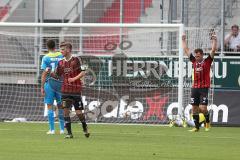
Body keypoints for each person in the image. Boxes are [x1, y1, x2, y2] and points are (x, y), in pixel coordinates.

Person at [182, 32, 217, 132]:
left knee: (203, 108)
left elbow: (213, 50)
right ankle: (196, 127)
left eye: (198, 56)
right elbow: (186, 50)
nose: (196, 57)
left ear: (202, 55)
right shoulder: (193, 61)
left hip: (203, 88)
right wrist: (183, 40)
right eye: (195, 56)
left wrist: (214, 40)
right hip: (195, 88)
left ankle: (207, 122)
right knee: (194, 109)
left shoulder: (207, 61)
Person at [54, 42, 90, 139]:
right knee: (65, 111)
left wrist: (74, 79)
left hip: (76, 91)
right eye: (60, 49)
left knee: (79, 113)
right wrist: (50, 73)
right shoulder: (60, 63)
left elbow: (84, 72)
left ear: (68, 50)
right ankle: (69, 133)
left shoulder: (77, 60)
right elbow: (57, 76)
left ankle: (84, 126)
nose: (61, 51)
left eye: (63, 49)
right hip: (65, 91)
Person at [41, 39, 65, 134]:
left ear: (47, 47)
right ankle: (62, 129)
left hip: (50, 84)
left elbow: (44, 73)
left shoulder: (46, 58)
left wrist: (42, 87)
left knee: (50, 106)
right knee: (61, 106)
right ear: (55, 46)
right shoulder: (61, 56)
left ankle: (52, 130)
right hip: (60, 84)